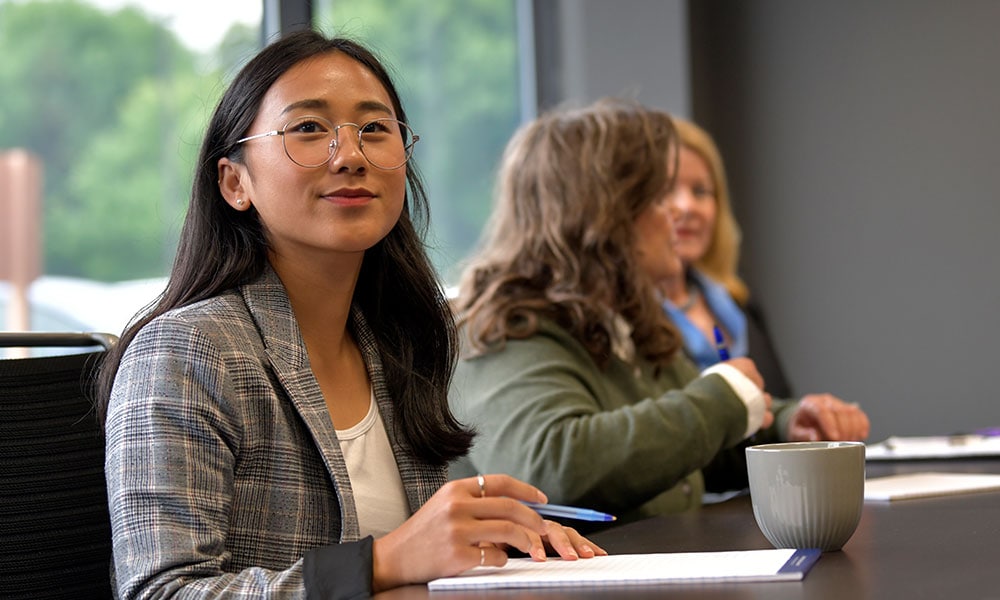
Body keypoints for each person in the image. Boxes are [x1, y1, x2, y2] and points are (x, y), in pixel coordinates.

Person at [96, 31, 603, 599]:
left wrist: (499, 544)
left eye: (375, 130)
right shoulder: (186, 350)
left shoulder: (397, 339)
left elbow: (414, 567)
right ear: (235, 181)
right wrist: (380, 561)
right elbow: (161, 592)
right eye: (309, 129)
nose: (351, 156)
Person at [448, 98, 869, 524]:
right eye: (657, 197)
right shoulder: (506, 325)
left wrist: (785, 426)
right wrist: (724, 400)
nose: (674, 214)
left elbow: (686, 449)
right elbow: (552, 469)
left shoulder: (624, 319)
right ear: (605, 214)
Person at [661, 116, 839, 404]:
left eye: (700, 191)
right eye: (667, 190)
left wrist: (800, 416)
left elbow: (780, 399)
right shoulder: (625, 322)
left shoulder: (739, 300)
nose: (687, 206)